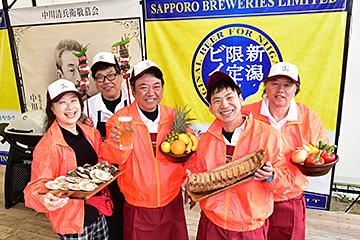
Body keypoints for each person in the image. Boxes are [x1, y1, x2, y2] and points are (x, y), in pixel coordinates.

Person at [183, 71, 293, 240]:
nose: (224, 104)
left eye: (229, 97)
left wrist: (272, 176)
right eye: (217, 100)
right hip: (212, 224)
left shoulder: (269, 136)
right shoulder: (206, 140)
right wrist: (189, 180)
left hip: (249, 229)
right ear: (211, 108)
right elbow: (197, 171)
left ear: (241, 99)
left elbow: (288, 179)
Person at [241, 61, 330, 240]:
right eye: (275, 83)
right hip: (250, 198)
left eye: (287, 85)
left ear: (295, 89)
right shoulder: (246, 114)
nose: (280, 90)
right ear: (265, 85)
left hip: (288, 199)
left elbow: (321, 154)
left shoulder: (308, 118)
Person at [102, 60, 189, 240]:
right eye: (143, 87)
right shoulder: (121, 120)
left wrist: (190, 180)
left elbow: (188, 152)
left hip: (172, 200)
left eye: (156, 86)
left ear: (162, 89)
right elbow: (111, 159)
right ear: (133, 91)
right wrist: (115, 142)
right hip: (138, 204)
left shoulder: (172, 117)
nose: (151, 93)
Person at [23, 79, 109, 239]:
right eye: (62, 102)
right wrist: (41, 199)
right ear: (52, 109)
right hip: (72, 220)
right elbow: (34, 186)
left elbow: (102, 164)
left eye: (73, 100)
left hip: (98, 211)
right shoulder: (48, 145)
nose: (70, 107)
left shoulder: (91, 133)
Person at [82, 51, 133, 240]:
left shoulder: (134, 101)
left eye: (111, 75)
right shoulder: (87, 107)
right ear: (95, 82)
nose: (107, 81)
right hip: (104, 173)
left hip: (131, 169)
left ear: (120, 76)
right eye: (100, 77)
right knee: (111, 214)